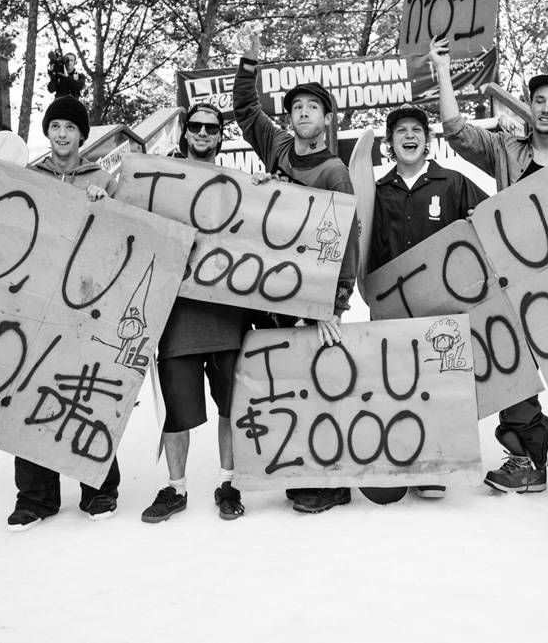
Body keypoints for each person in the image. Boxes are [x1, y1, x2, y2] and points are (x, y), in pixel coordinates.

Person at [438, 37, 548, 505]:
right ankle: (525, 457)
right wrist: (442, 68)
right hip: (512, 279)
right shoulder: (505, 149)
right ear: (528, 107)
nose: (546, 108)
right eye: (539, 101)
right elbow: (454, 128)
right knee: (510, 359)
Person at [232, 31, 358, 515]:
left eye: (312, 107)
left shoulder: (334, 174)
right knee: (285, 385)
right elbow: (246, 111)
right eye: (296, 107)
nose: (302, 113)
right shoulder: (278, 150)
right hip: (272, 297)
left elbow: (347, 243)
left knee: (319, 385)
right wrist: (249, 62)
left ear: (327, 120)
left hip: (313, 301)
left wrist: (335, 307)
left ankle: (333, 482)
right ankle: (300, 471)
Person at [7, 95, 121, 530]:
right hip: (34, 302)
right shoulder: (30, 176)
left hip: (85, 307)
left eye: (70, 128)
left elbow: (124, 236)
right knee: (28, 391)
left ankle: (98, 489)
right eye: (55, 126)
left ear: (81, 136)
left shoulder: (102, 179)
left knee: (87, 392)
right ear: (48, 132)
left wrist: (105, 202)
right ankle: (35, 498)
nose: (61, 134)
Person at [369, 99, 489, 499]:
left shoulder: (452, 183)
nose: (409, 136)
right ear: (390, 142)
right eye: (400, 131)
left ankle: (434, 466)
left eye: (416, 131)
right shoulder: (375, 190)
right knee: (395, 385)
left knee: (440, 386)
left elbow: (490, 220)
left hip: (443, 308)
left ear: (427, 140)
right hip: (390, 309)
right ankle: (401, 458)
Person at [141, 103, 250, 523]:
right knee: (176, 409)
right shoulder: (159, 181)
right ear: (185, 133)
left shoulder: (240, 186)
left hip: (226, 317)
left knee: (231, 407)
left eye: (212, 128)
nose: (203, 133)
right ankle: (176, 488)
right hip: (177, 318)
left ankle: (228, 483)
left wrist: (269, 188)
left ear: (220, 136)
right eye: (196, 127)